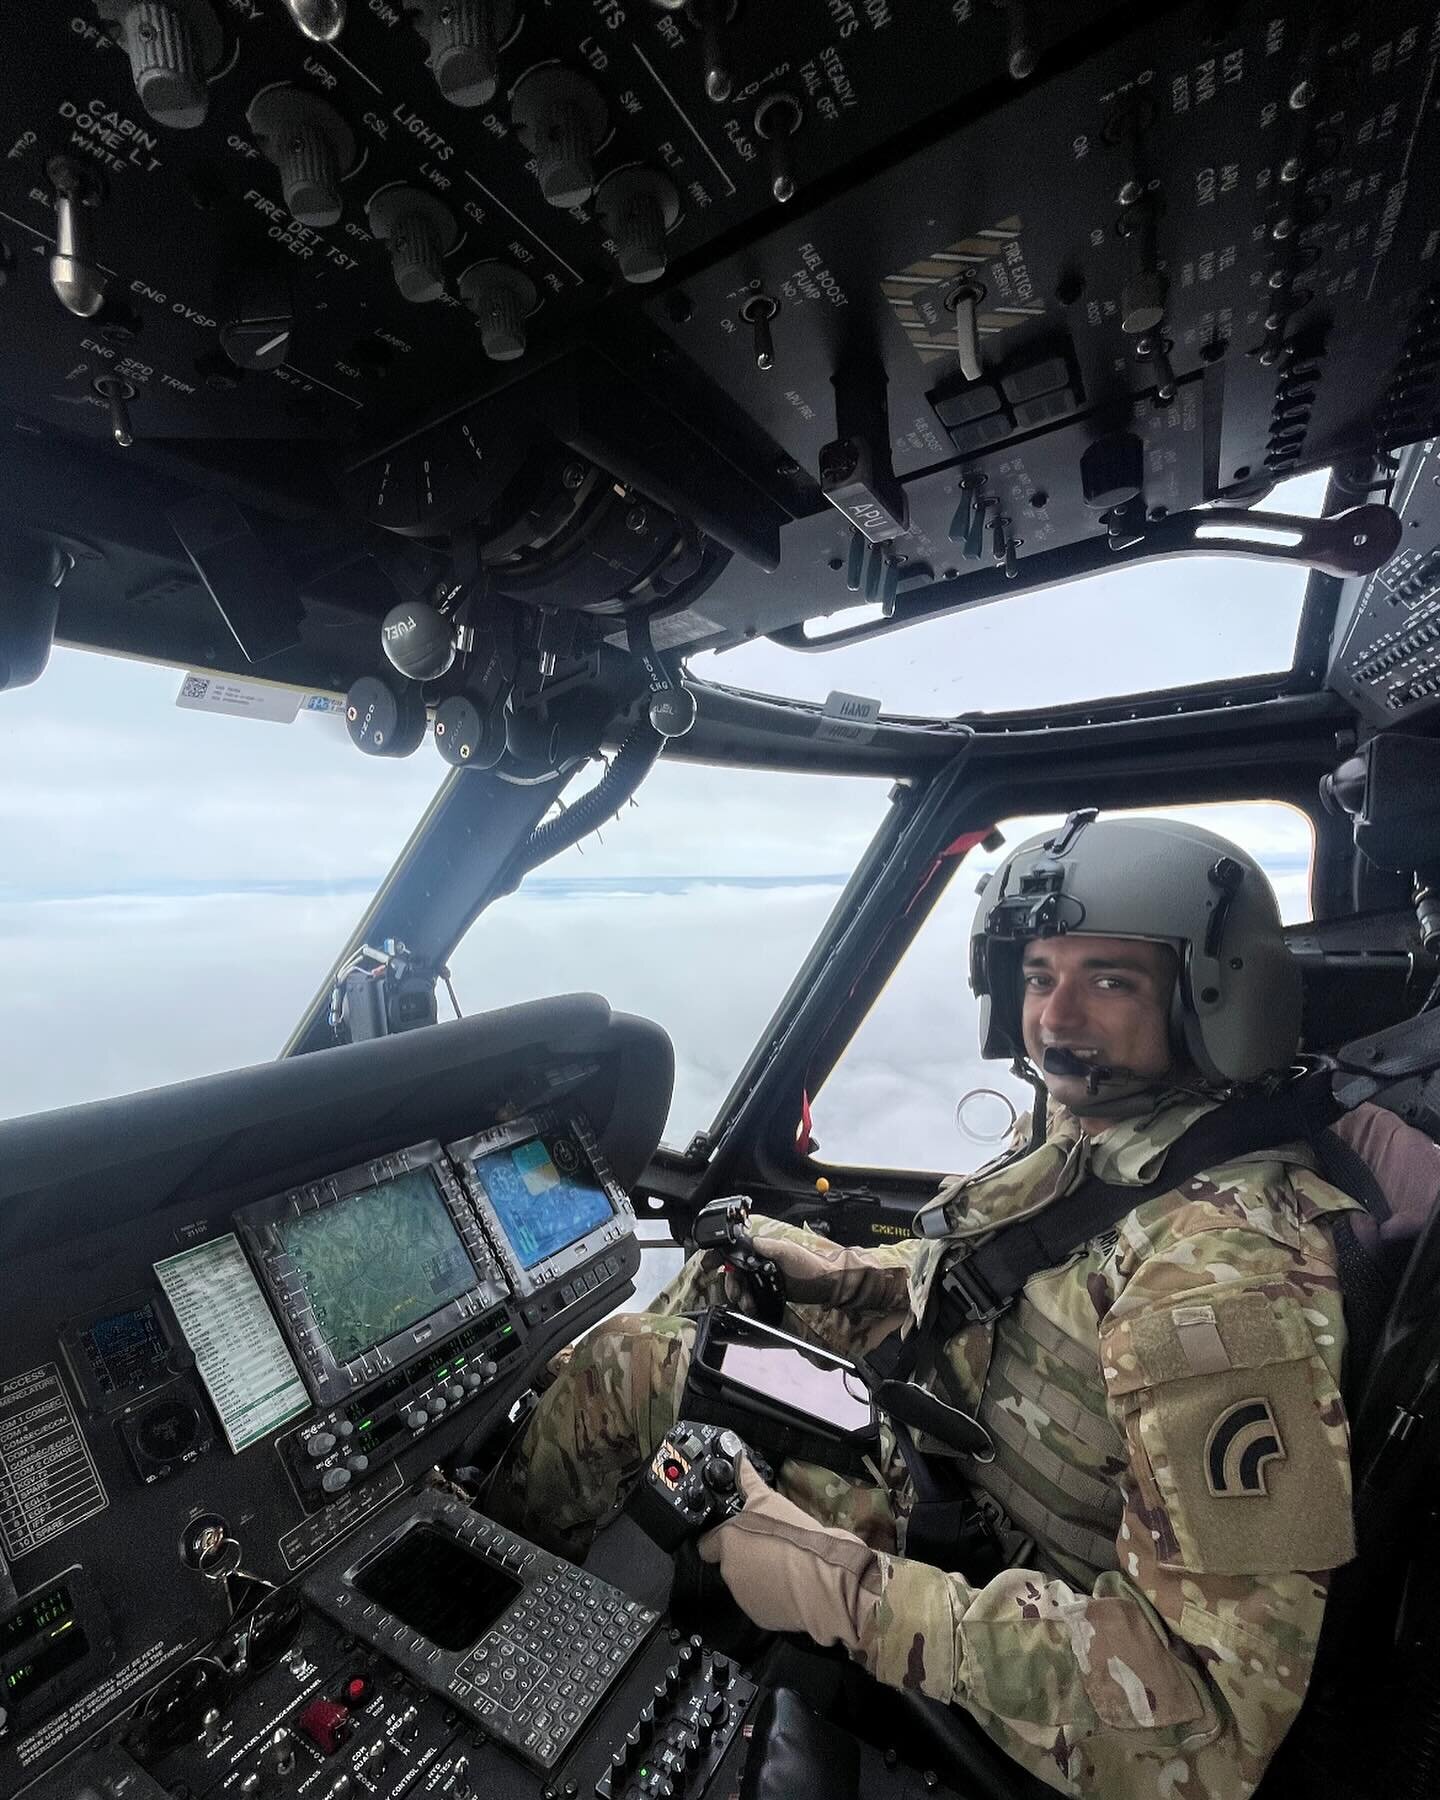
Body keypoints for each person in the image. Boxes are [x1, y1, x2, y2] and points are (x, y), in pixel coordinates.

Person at [488, 812, 1359, 1798]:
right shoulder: (1125, 1139)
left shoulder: (1220, 1284)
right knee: (674, 1327)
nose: (1057, 1018)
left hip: (992, 1571)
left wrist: (846, 1590)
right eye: (1039, 978)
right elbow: (1005, 1274)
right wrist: (827, 1269)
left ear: (1213, 993)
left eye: (1109, 981)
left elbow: (1208, 1727)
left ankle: (487, 1656)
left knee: (624, 1373)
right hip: (938, 1441)